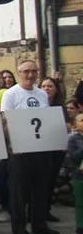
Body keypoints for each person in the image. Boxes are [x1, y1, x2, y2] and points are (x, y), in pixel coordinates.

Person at [1, 60, 59, 234]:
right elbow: (5, 120)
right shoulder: (11, 94)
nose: (30, 75)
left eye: (34, 71)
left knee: (41, 187)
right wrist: (12, 143)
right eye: (26, 71)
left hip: (40, 147)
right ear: (19, 73)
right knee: (20, 190)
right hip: (20, 149)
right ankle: (19, 226)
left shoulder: (41, 94)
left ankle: (39, 223)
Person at [42, 75, 67, 223]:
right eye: (44, 86)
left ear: (56, 89)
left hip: (56, 148)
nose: (47, 89)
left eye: (50, 86)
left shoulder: (60, 107)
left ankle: (46, 210)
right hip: (42, 148)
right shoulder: (37, 105)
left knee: (51, 180)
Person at [67, 112, 83, 234]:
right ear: (75, 124)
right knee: (80, 203)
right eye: (81, 120)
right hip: (79, 175)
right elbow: (74, 157)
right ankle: (80, 229)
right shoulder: (74, 139)